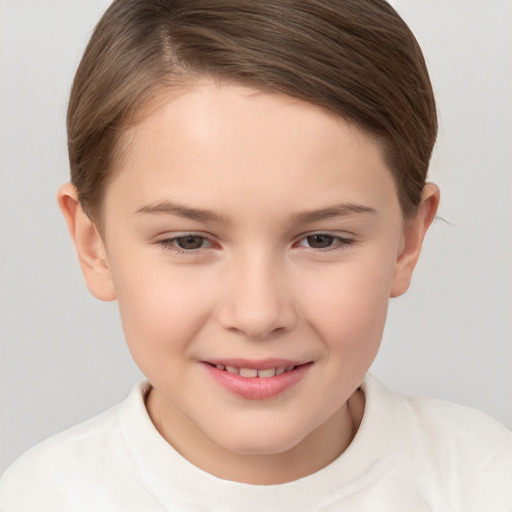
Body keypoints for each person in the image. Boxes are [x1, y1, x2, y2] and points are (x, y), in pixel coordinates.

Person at [0, 0, 510, 510]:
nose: (258, 314)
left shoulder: (485, 482)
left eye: (322, 240)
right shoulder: (36, 499)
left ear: (408, 240)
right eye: (189, 241)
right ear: (95, 246)